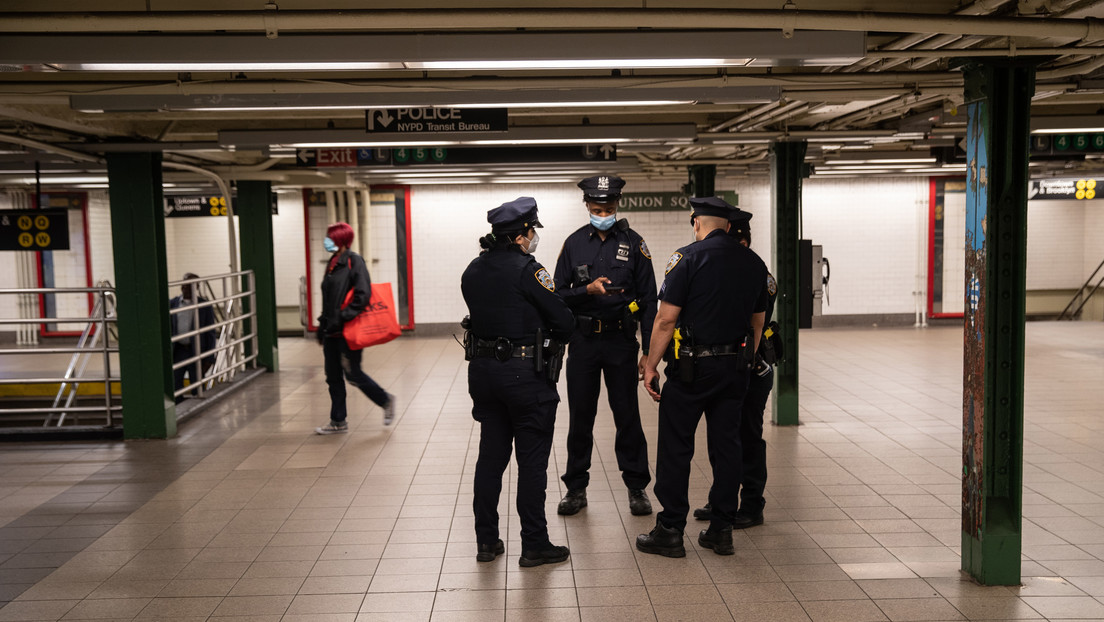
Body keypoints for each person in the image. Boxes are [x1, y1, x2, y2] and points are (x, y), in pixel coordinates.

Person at [636, 196, 768, 558]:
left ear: (696, 222)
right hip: (735, 370)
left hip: (692, 371)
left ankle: (671, 530)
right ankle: (722, 529)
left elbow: (665, 319)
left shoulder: (688, 258)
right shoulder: (754, 263)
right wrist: (744, 360)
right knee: (728, 446)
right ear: (728, 225)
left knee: (677, 447)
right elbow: (758, 323)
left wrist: (650, 366)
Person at [461, 197, 575, 567]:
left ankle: (486, 541)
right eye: (532, 232)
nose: (533, 238)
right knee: (531, 462)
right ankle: (535, 544)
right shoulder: (529, 270)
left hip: (484, 376)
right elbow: (564, 322)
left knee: (490, 459)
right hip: (525, 377)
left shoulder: (473, 270)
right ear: (523, 234)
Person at [553, 175, 658, 517]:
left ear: (618, 206)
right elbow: (556, 295)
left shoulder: (635, 243)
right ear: (586, 207)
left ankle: (637, 487)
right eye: (597, 209)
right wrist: (586, 291)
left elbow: (648, 300)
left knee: (626, 416)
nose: (603, 213)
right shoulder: (572, 245)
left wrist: (648, 351)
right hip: (583, 342)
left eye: (609, 208)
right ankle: (575, 488)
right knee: (581, 416)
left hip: (620, 341)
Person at [693, 210, 777, 530]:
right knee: (722, 436)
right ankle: (721, 498)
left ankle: (752, 503)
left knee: (748, 437)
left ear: (742, 241)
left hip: (752, 368)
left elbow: (753, 322)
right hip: (728, 366)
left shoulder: (758, 274)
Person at [315, 222, 395, 434]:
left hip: (347, 332)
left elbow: (363, 294)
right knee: (333, 376)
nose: (326, 241)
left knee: (353, 374)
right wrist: (323, 324)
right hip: (331, 331)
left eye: (329, 238)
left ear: (340, 239)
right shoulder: (332, 263)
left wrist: (343, 317)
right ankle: (338, 421)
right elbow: (328, 298)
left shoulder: (353, 261)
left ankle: (385, 400)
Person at [169, 272, 217, 404]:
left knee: (197, 384)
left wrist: (209, 358)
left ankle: (198, 410)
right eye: (184, 285)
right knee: (175, 383)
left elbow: (210, 333)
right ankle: (179, 410)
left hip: (196, 351)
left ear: (197, 287)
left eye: (190, 285)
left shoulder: (204, 306)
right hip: (178, 350)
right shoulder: (172, 304)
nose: (186, 288)